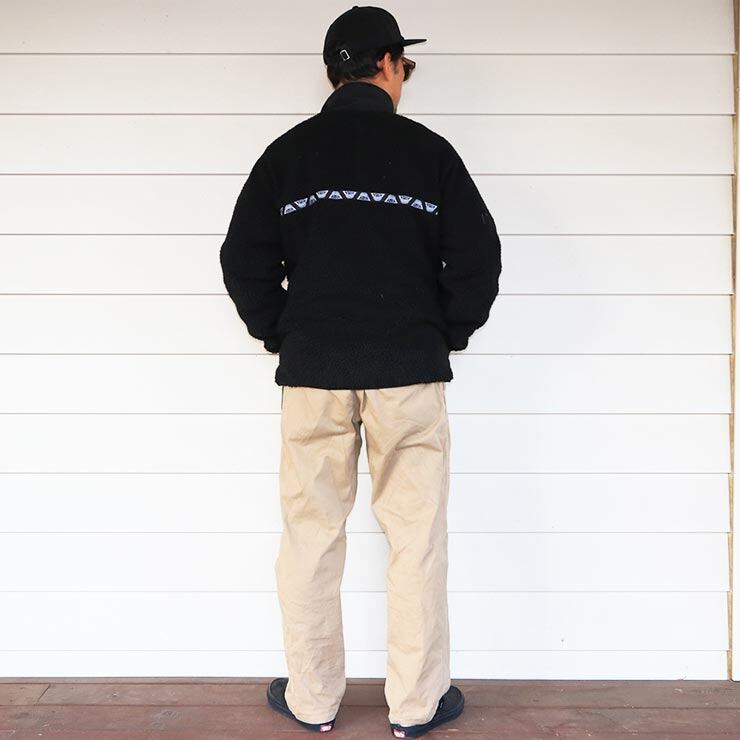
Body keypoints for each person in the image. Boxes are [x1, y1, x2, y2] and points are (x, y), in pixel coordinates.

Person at [219, 5, 502, 737]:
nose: (404, 75)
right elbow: (478, 261)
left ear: (332, 73)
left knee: (310, 535)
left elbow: (243, 260)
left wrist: (283, 334)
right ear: (387, 64)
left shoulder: (288, 155)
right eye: (403, 64)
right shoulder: (429, 153)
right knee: (416, 536)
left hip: (313, 373)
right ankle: (415, 706)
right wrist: (443, 334)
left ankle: (313, 701)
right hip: (407, 371)